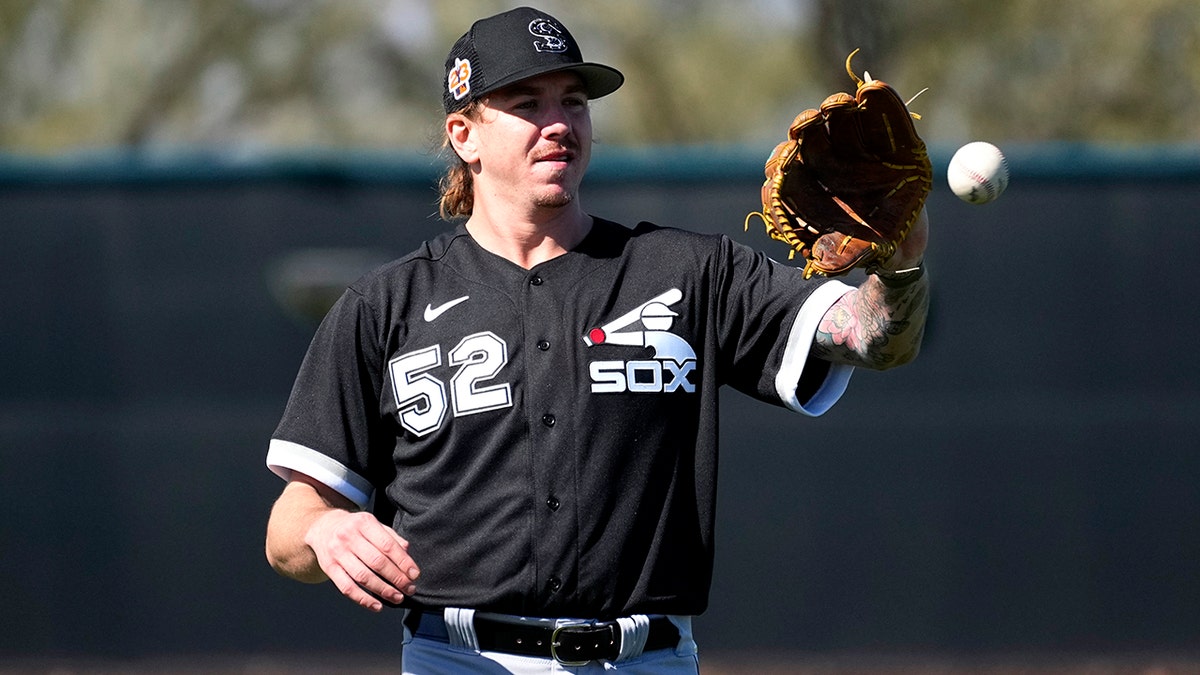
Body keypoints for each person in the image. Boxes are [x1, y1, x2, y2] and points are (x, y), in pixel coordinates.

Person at [264, 6, 930, 673]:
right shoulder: (386, 305)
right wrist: (324, 527)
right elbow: (288, 527)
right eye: (528, 103)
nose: (559, 123)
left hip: (644, 658)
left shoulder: (689, 271)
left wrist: (901, 267)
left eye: (574, 102)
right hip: (458, 660)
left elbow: (874, 338)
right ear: (464, 134)